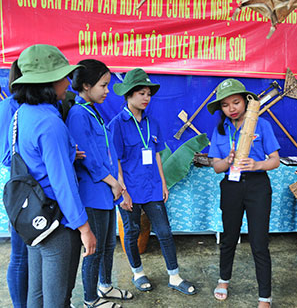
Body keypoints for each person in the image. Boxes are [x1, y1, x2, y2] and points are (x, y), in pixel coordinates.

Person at [6, 44, 96, 307]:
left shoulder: (23, 113)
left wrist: (65, 153)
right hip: (57, 220)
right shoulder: (50, 122)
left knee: (37, 293)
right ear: (46, 83)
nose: (68, 82)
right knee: (58, 298)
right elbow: (63, 184)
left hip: (32, 216)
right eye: (62, 76)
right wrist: (84, 228)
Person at [108, 68, 196, 296]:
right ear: (128, 94)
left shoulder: (152, 123)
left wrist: (163, 183)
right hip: (130, 190)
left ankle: (174, 276)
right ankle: (137, 273)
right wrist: (122, 191)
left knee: (165, 232)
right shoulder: (117, 125)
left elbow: (156, 154)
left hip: (152, 188)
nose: (146, 97)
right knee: (131, 232)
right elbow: (114, 159)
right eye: (141, 93)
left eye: (148, 93)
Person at [206, 78, 280, 308]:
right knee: (229, 237)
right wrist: (227, 161)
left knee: (259, 242)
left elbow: (275, 161)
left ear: (246, 102)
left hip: (258, 186)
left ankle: (264, 297)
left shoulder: (262, 125)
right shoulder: (220, 130)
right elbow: (215, 166)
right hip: (231, 186)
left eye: (236, 102)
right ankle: (224, 279)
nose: (232, 109)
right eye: (226, 105)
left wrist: (257, 165)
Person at [66, 59, 133, 308]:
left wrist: (117, 185)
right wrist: (113, 182)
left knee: (107, 244)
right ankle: (90, 299)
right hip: (93, 193)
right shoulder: (77, 114)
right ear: (85, 85)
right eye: (103, 85)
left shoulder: (94, 111)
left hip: (106, 192)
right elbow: (88, 157)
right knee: (93, 248)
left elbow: (106, 152)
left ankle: (105, 286)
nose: (107, 90)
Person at [0, 61, 26, 308]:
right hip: (21, 191)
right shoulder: (8, 107)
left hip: (43, 194)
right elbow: (7, 157)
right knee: (19, 257)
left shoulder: (44, 107)